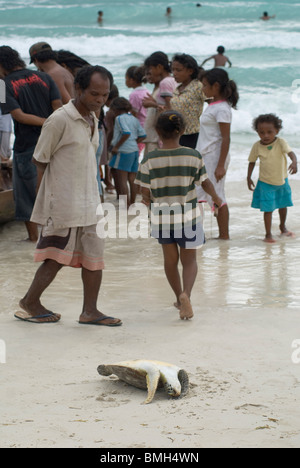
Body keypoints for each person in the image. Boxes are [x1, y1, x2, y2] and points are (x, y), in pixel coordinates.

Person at [15, 65, 122, 326]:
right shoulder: (60, 119)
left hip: (90, 201)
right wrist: (44, 204)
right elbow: (40, 160)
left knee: (94, 256)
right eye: (94, 94)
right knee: (56, 255)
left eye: (105, 95)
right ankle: (30, 301)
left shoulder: (94, 120)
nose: (99, 100)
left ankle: (90, 311)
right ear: (78, 89)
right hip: (62, 202)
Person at [135, 111, 222, 320]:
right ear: (182, 131)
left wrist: (147, 198)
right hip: (188, 217)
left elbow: (143, 191)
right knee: (190, 260)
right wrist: (215, 198)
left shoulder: (150, 159)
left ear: (157, 132)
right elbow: (205, 183)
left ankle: (177, 296)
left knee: (170, 260)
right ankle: (186, 295)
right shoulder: (193, 155)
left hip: (162, 217)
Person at [0, 45, 62, 242]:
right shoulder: (44, 76)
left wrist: (45, 124)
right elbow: (58, 106)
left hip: (27, 145)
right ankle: (56, 236)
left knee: (26, 194)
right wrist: (52, 127)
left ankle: (34, 238)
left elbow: (17, 115)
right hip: (53, 143)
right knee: (52, 189)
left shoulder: (2, 84)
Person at [195, 68, 239, 240]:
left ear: (216, 86)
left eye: (205, 85)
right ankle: (199, 234)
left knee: (216, 193)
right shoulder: (213, 105)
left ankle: (223, 236)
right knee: (201, 192)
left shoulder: (222, 109)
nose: (203, 89)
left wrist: (220, 165)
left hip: (214, 157)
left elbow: (225, 138)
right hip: (205, 155)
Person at [247, 114, 297, 244]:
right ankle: (268, 234)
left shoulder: (281, 142)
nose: (266, 135)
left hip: (282, 181)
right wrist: (248, 177)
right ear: (257, 132)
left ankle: (283, 227)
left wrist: (295, 162)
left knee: (283, 205)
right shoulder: (257, 146)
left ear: (277, 131)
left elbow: (291, 153)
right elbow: (252, 162)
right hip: (265, 183)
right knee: (268, 209)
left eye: (270, 132)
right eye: (261, 132)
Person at [109, 97, 146, 207]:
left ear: (115, 109)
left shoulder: (119, 118)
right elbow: (143, 135)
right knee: (132, 178)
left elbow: (126, 133)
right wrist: (133, 142)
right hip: (134, 150)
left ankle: (125, 205)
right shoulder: (134, 119)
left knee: (122, 180)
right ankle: (132, 203)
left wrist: (116, 147)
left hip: (123, 151)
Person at [168, 53, 205, 149]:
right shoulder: (177, 88)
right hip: (176, 134)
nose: (174, 73)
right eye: (173, 70)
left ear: (190, 71)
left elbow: (213, 101)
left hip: (192, 135)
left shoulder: (198, 86)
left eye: (178, 70)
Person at [143, 51, 176, 154]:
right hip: (156, 137)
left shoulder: (165, 83)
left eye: (151, 68)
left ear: (159, 67)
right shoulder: (171, 81)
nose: (150, 72)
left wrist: (153, 104)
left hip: (157, 138)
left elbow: (170, 109)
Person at [125, 65, 148, 154]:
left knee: (134, 153)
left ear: (131, 80)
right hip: (145, 126)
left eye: (126, 78)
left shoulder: (134, 95)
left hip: (138, 130)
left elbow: (134, 114)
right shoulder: (146, 91)